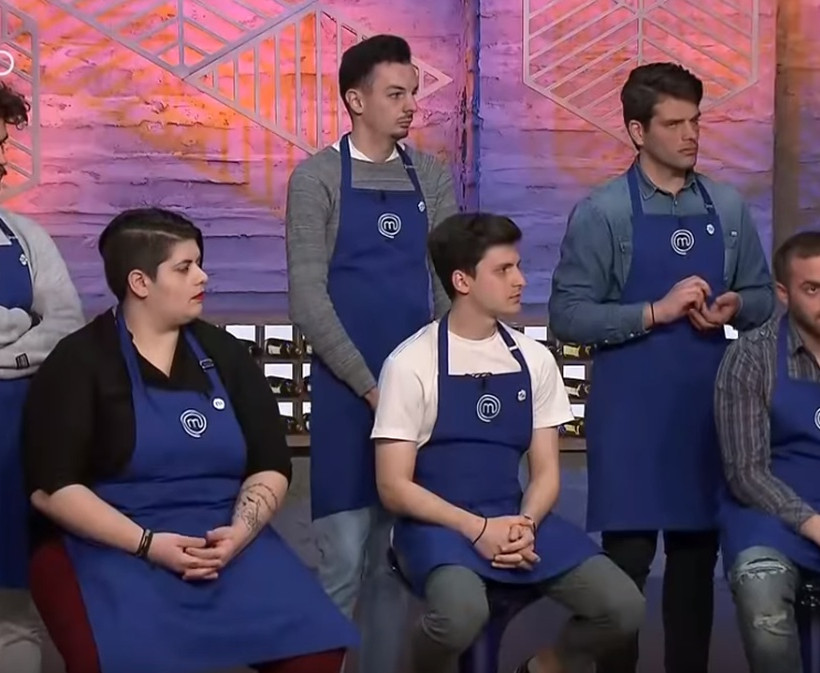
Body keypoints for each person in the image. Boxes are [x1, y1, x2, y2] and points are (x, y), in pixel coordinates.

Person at [21, 208, 359, 673]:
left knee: (316, 651)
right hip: (115, 543)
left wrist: (239, 534)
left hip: (224, 539)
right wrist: (148, 544)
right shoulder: (80, 361)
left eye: (199, 263)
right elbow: (52, 487)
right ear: (140, 282)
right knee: (124, 658)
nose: (202, 277)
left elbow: (270, 462)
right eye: (185, 267)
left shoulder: (224, 353)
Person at [548, 62, 774, 673]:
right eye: (673, 124)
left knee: (697, 570)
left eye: (695, 121)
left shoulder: (726, 206)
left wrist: (736, 306)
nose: (690, 135)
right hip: (631, 417)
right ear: (637, 131)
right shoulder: (603, 213)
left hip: (707, 412)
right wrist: (654, 311)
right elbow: (566, 316)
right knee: (624, 573)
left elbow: (763, 297)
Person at [373, 212, 646, 673]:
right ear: (462, 281)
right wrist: (478, 530)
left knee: (623, 606)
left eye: (517, 266)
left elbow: (546, 473)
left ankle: (543, 669)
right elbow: (393, 487)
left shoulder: (535, 360)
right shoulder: (411, 363)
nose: (520, 280)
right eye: (503, 270)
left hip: (516, 517)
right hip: (438, 525)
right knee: (460, 615)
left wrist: (525, 524)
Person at [285, 33, 458, 673]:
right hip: (345, 397)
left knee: (393, 563)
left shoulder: (430, 176)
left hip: (416, 398)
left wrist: (435, 382)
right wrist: (369, 387)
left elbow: (451, 287)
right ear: (356, 101)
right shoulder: (316, 179)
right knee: (342, 561)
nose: (411, 105)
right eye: (396, 93)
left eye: (413, 93)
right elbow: (308, 299)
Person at [0, 81, 85, 673]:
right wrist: (17, 321)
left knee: (13, 610)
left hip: (15, 444)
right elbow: (35, 322)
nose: (2, 157)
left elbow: (64, 323)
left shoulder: (26, 237)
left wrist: (11, 352)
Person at [715, 230, 820, 673]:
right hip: (769, 518)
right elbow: (746, 473)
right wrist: (814, 524)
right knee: (763, 597)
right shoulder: (751, 357)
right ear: (783, 293)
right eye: (812, 289)